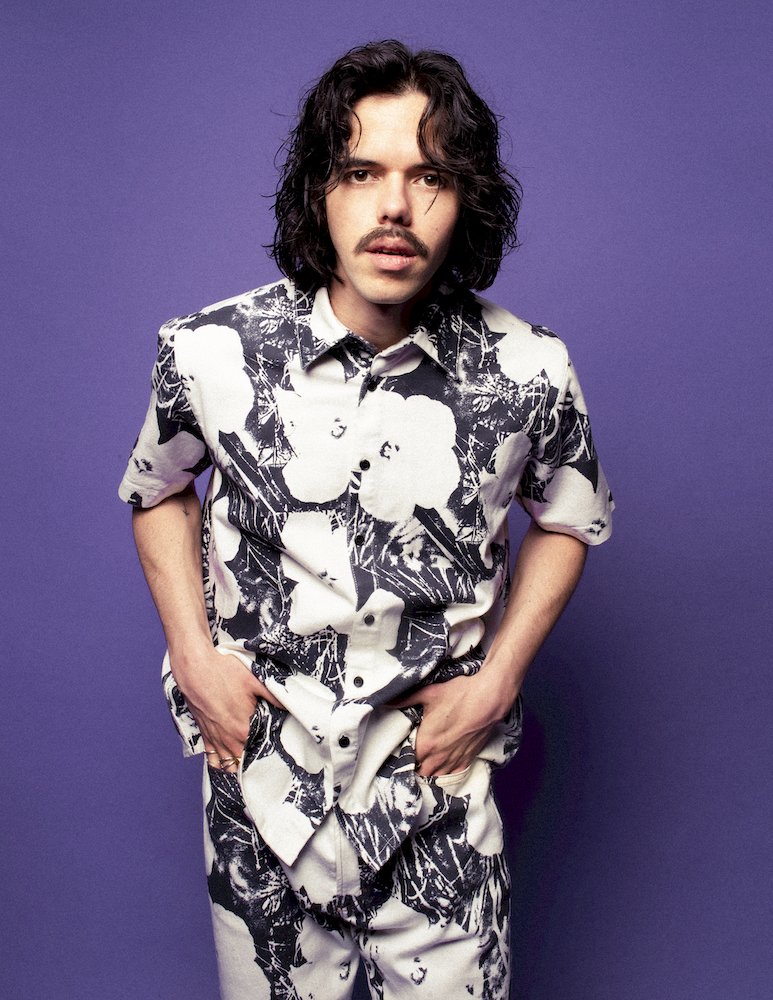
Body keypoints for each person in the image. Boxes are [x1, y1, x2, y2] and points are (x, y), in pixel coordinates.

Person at [119, 39, 613, 1000]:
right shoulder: (209, 351)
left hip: (437, 802)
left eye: (429, 176)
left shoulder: (528, 368)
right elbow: (156, 489)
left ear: (465, 198)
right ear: (320, 191)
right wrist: (193, 655)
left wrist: (497, 681)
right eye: (360, 172)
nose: (394, 207)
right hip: (264, 797)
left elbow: (571, 517)